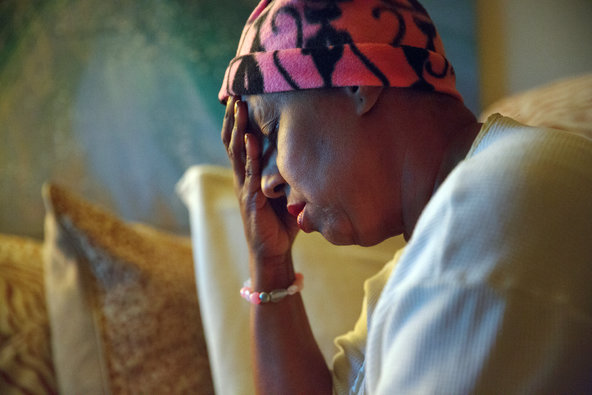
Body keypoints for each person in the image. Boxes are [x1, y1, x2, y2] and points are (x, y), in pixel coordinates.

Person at [218, 0, 592, 393]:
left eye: (272, 130)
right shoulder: (416, 264)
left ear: (355, 79)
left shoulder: (482, 218)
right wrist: (270, 265)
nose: (265, 183)